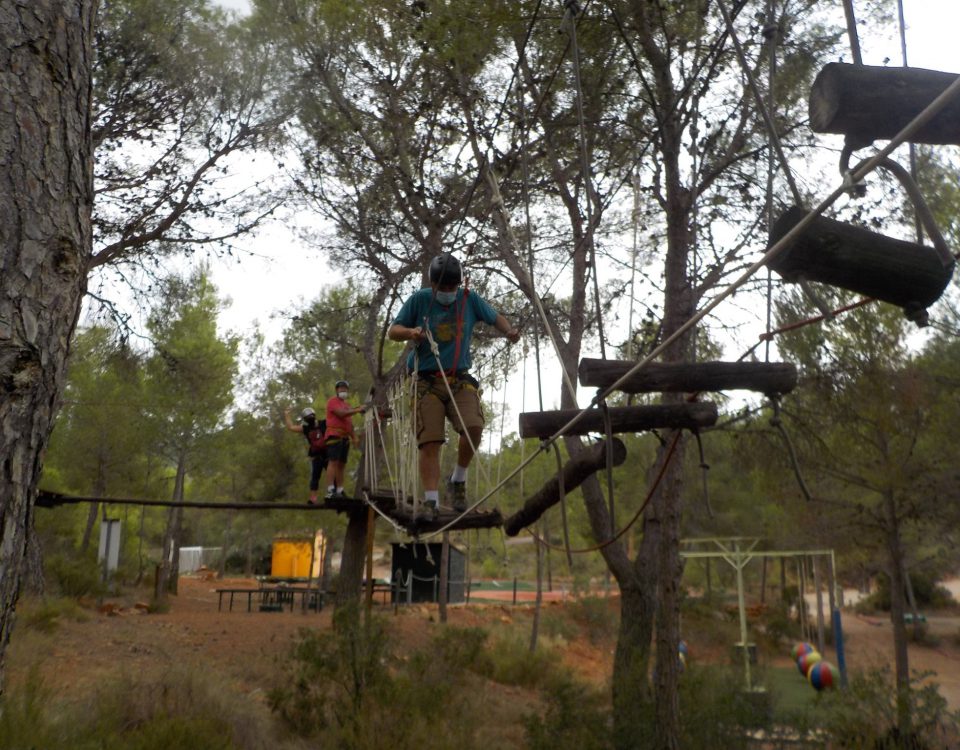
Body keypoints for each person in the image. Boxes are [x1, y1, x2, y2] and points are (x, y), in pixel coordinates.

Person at [388, 253, 519, 515]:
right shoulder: (420, 300)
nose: (449, 292)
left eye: (453, 287)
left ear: (460, 283)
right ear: (433, 284)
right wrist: (411, 332)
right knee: (430, 441)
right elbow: (394, 330)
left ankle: (457, 478)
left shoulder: (469, 300)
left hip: (459, 378)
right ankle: (432, 501)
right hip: (426, 380)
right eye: (443, 287)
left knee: (474, 427)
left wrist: (509, 332)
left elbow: (495, 317)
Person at [324, 379, 364, 499]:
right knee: (333, 462)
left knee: (341, 465)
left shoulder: (347, 406)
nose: (343, 390)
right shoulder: (332, 402)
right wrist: (357, 410)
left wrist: (354, 437)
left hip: (345, 437)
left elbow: (349, 424)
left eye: (345, 389)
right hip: (334, 435)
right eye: (341, 389)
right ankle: (330, 490)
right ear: (337, 390)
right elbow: (341, 414)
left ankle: (340, 490)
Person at [283, 407, 328, 505]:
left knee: (316, 477)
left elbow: (291, 427)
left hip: (319, 456)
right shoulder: (322, 423)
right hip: (324, 455)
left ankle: (314, 498)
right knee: (321, 477)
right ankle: (319, 497)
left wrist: (287, 415)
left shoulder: (308, 427)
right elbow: (291, 427)